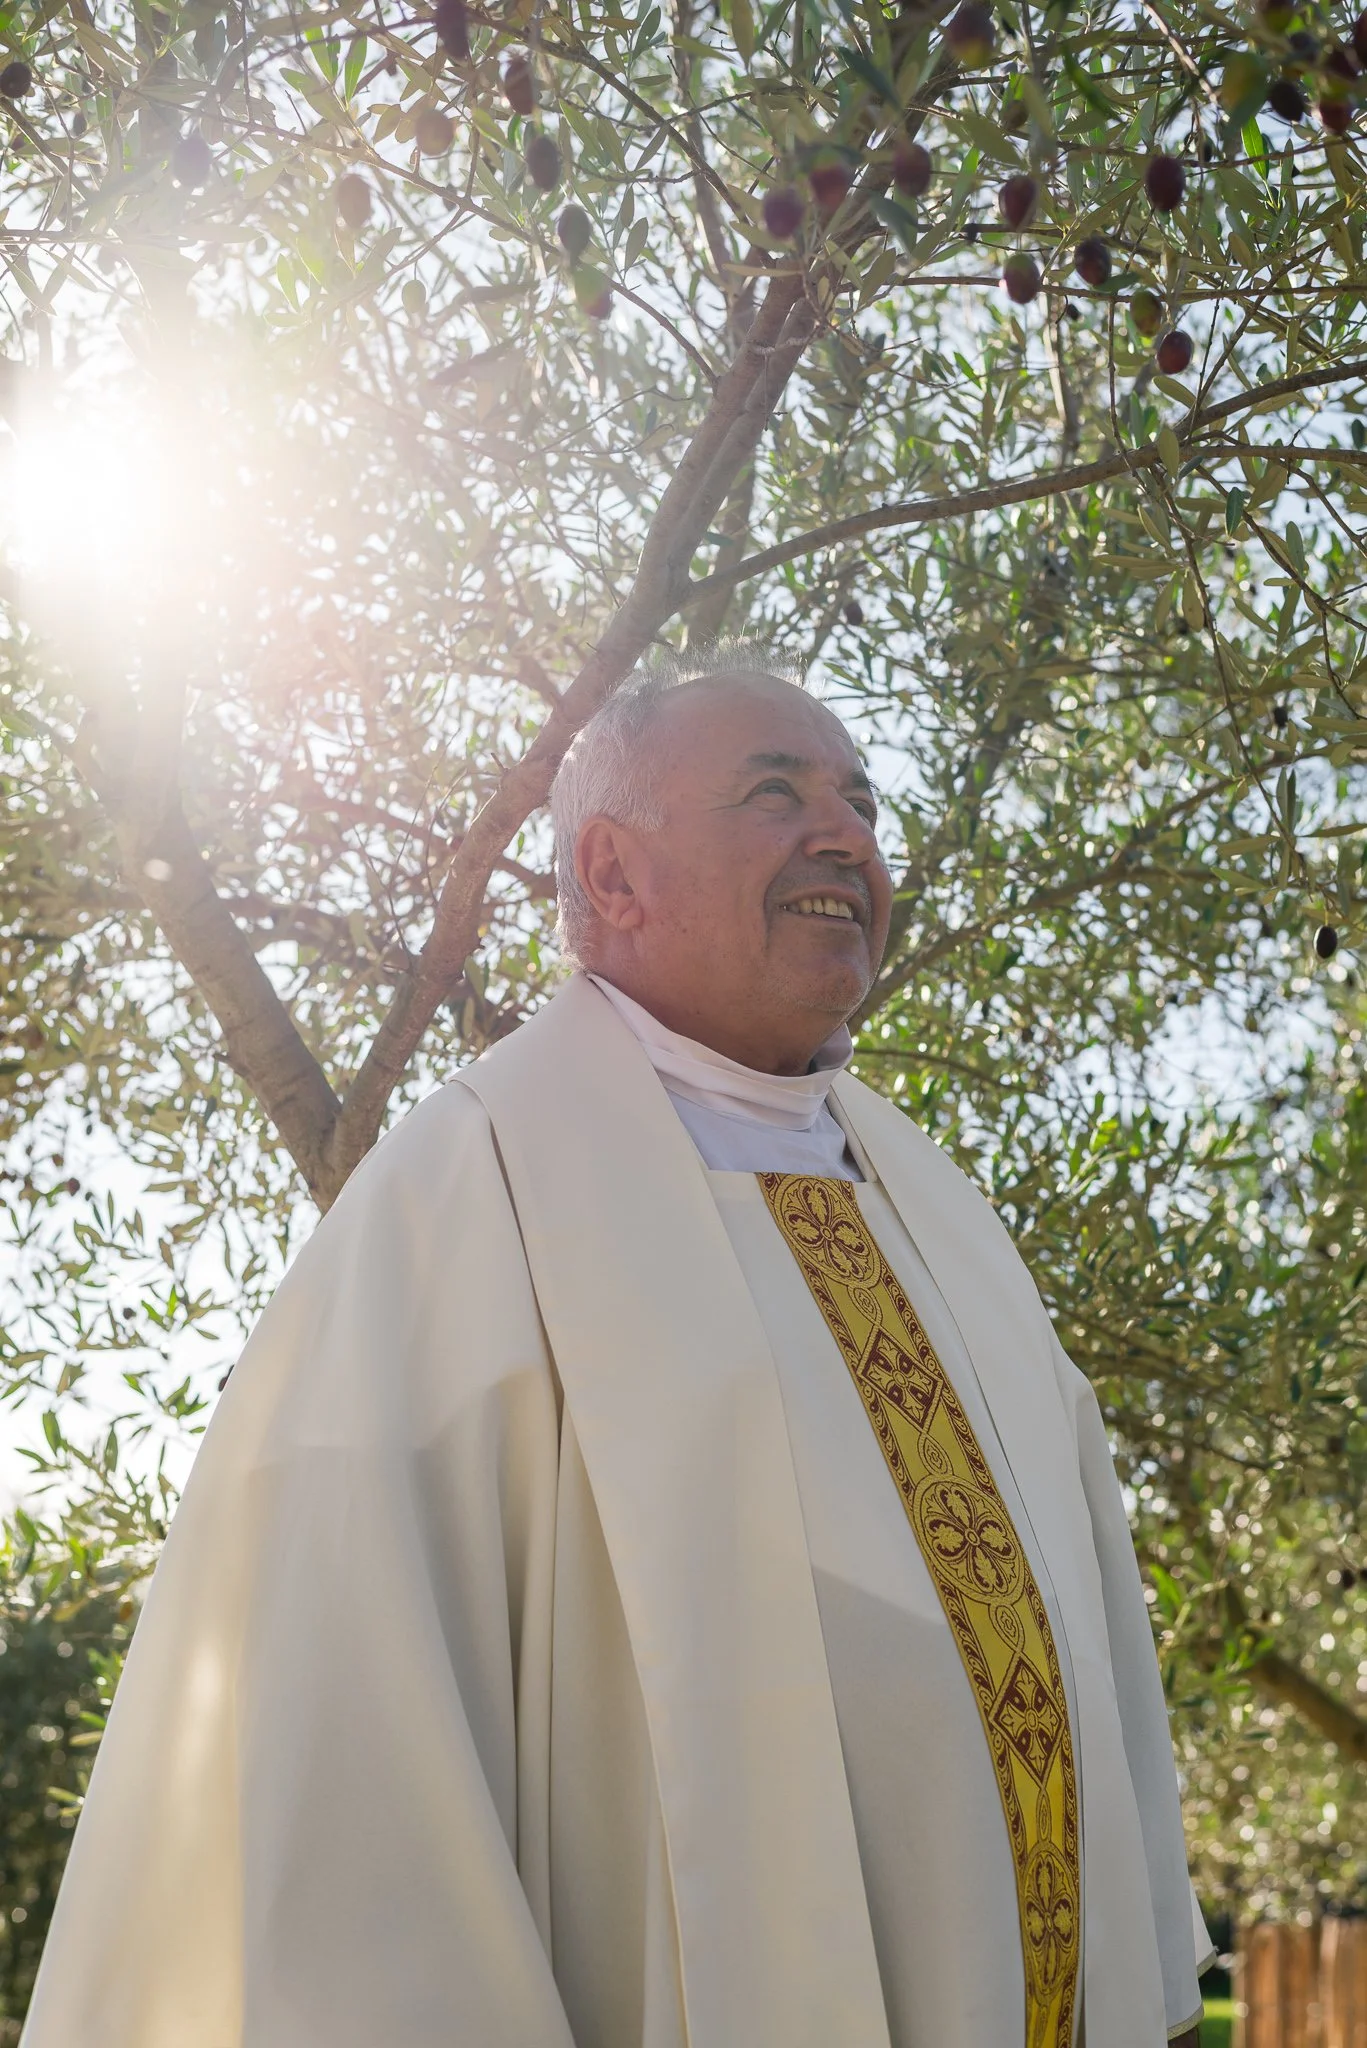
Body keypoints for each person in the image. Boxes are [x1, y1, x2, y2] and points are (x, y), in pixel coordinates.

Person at [24, 644, 1212, 2048]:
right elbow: (348, 1735)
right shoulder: (471, 1192)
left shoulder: (934, 1209)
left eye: (860, 800)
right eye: (775, 794)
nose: (844, 836)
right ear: (609, 878)